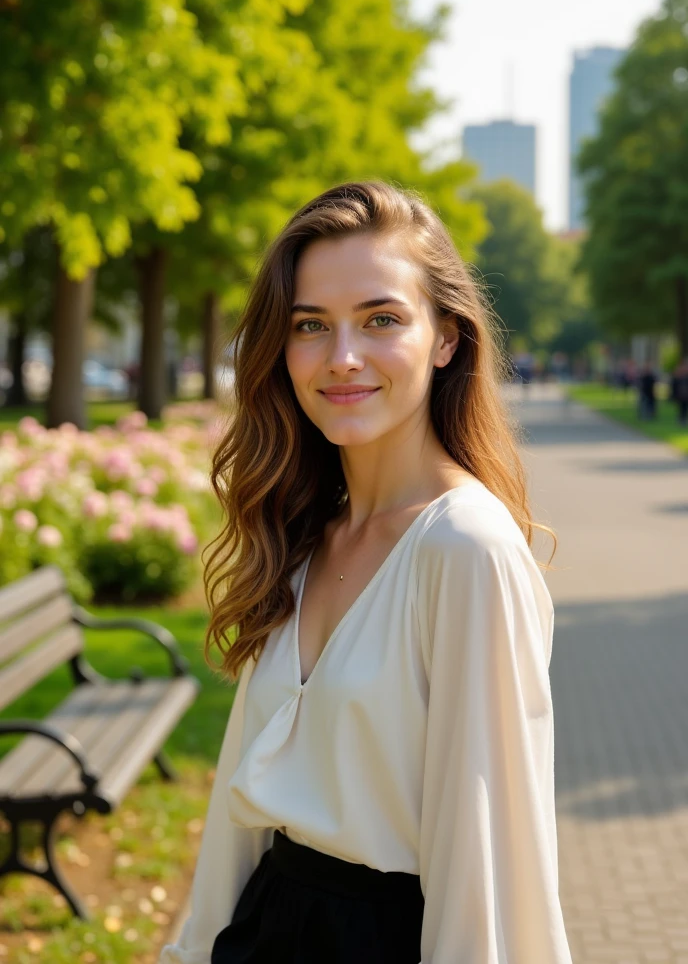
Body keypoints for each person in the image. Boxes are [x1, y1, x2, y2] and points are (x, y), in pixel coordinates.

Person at [159, 181, 573, 964]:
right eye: (311, 325)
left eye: (381, 319)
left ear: (446, 337)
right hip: (264, 930)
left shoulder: (466, 550)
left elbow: (489, 865)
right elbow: (238, 813)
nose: (341, 358)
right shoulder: (310, 532)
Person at [671, 357, 688, 425]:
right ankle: (681, 420)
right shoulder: (678, 376)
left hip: (686, 395)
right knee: (681, 408)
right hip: (680, 395)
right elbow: (674, 386)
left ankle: (683, 419)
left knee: (685, 408)